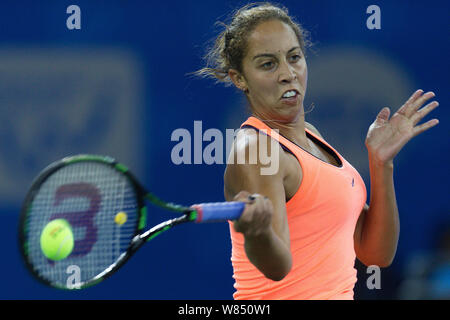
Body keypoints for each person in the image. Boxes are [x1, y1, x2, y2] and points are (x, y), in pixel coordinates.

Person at [194, 3, 440, 300]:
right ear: (239, 78)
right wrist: (257, 233)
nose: (288, 74)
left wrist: (380, 164)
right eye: (268, 64)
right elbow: (277, 267)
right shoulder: (255, 150)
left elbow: (375, 254)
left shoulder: (313, 138)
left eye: (294, 58)